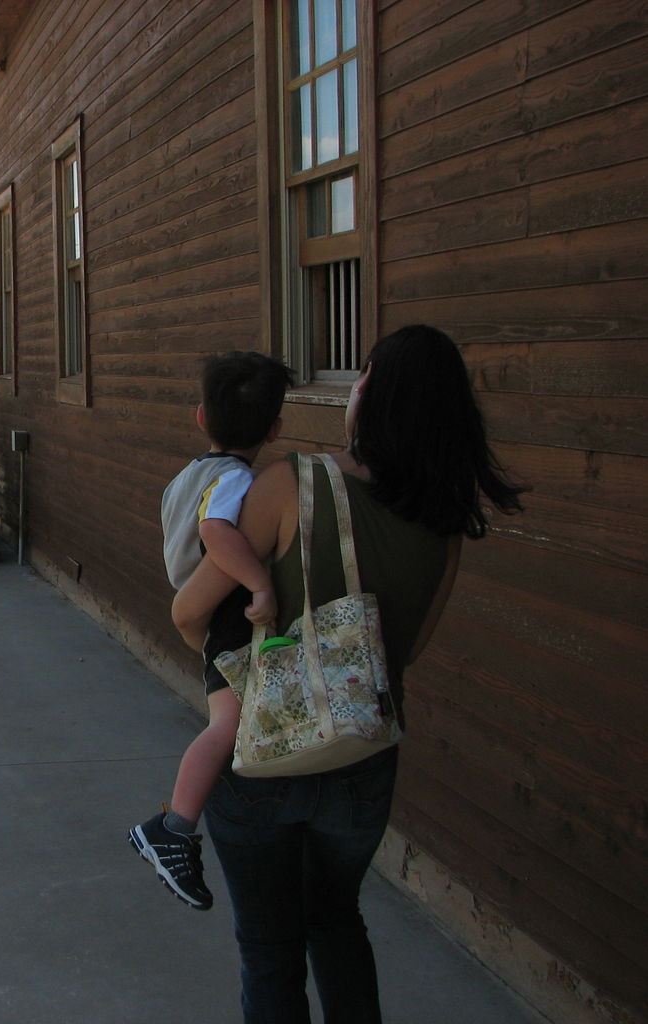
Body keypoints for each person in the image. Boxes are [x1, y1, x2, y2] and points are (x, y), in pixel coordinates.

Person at [171, 325, 524, 1023]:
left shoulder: (289, 484)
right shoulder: (443, 523)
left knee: (270, 949)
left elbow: (190, 607)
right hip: (364, 751)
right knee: (336, 924)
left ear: (373, 396)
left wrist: (211, 651)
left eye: (362, 374)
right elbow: (406, 648)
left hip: (262, 756)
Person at [128, 351, 294, 910]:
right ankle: (173, 827)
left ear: (201, 417)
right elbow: (217, 530)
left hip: (200, 600)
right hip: (227, 607)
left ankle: (180, 824)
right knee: (228, 723)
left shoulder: (189, 474)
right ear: (274, 428)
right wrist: (261, 584)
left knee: (231, 719)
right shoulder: (235, 479)